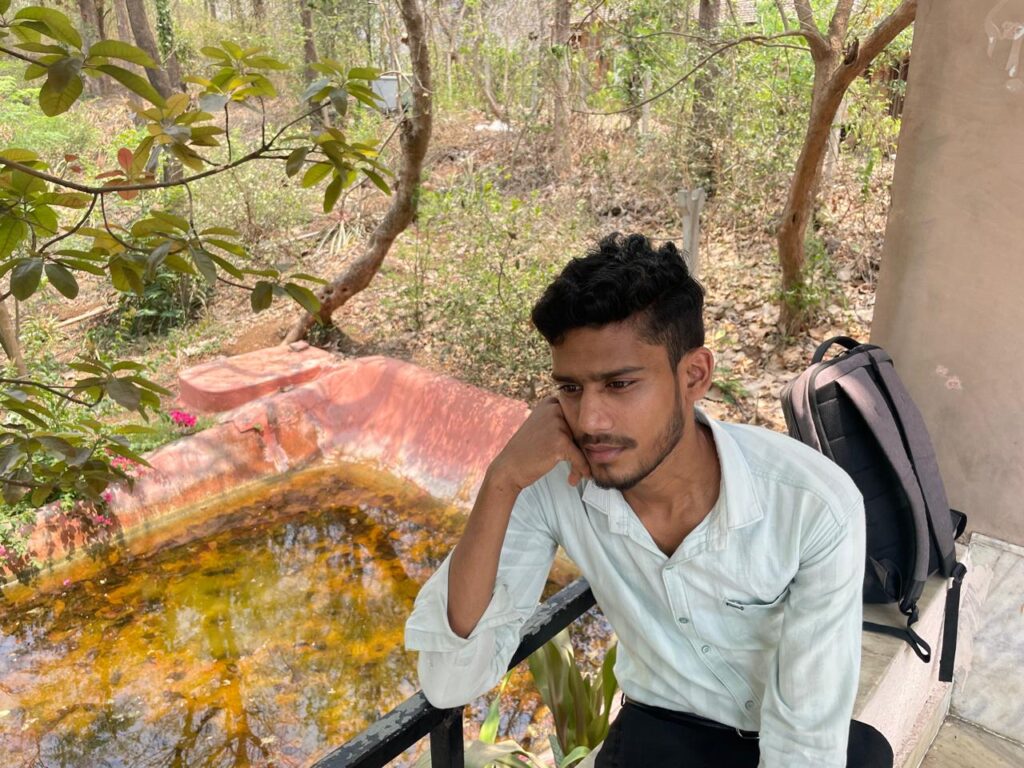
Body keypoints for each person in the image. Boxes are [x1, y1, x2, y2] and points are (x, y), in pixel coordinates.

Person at [404, 233, 892, 767]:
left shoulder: (811, 504)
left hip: (781, 730)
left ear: (694, 376)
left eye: (619, 384)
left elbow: (805, 738)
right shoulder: (554, 487)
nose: (590, 421)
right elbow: (451, 680)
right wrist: (501, 481)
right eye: (570, 389)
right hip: (659, 730)